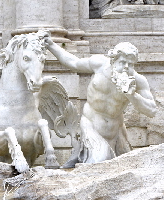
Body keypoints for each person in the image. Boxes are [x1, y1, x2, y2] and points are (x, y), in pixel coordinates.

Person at [44, 35, 157, 167]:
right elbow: (73, 63)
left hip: (117, 132)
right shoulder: (99, 64)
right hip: (91, 126)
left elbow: (152, 111)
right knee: (99, 163)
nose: (126, 67)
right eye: (122, 62)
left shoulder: (138, 81)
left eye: (130, 64)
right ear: (113, 61)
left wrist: (132, 95)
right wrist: (51, 45)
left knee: (125, 167)